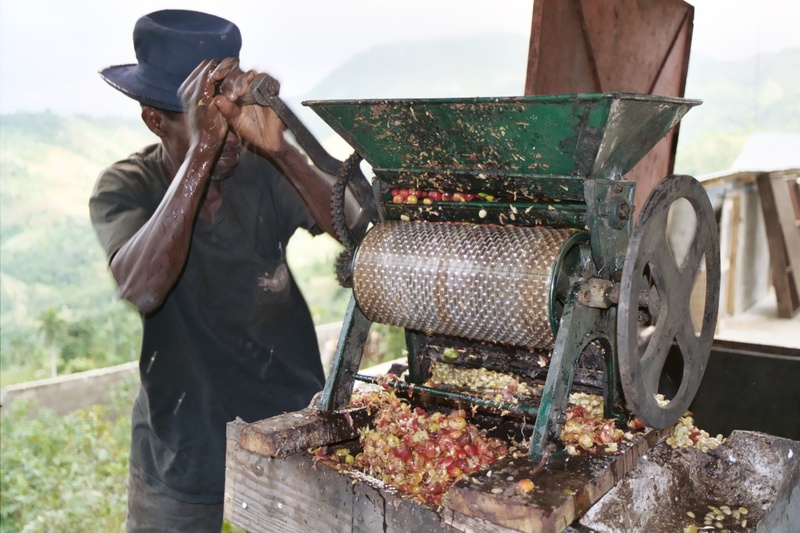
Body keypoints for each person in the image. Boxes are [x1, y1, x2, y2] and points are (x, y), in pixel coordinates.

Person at [89, 9, 355, 532]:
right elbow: (142, 288)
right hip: (182, 441)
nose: (228, 129)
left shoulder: (263, 169)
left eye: (230, 112)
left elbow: (356, 230)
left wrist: (283, 152)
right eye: (207, 114)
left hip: (289, 426)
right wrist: (202, 151)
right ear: (155, 118)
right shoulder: (125, 186)